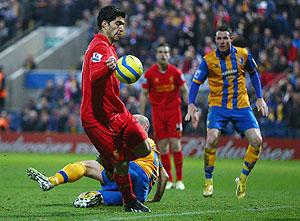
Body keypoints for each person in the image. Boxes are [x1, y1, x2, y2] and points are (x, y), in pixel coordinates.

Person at [80, 6, 152, 212]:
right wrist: (108, 67)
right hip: (96, 117)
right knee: (121, 162)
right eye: (118, 24)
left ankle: (109, 161)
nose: (122, 28)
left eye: (123, 24)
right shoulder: (98, 47)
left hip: (117, 112)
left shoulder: (109, 47)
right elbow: (94, 77)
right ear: (104, 24)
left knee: (144, 148)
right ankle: (129, 201)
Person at [185, 25, 269, 199]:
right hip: (218, 106)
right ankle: (208, 180)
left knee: (257, 141)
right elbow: (195, 83)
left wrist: (260, 97)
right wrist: (191, 104)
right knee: (212, 139)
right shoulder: (208, 60)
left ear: (231, 39)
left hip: (242, 106)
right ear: (215, 41)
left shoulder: (243, 55)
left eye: (225, 38)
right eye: (219, 39)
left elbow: (254, 73)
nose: (222, 42)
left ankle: (242, 179)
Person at [27, 115, 169, 208]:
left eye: (134, 122)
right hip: (137, 194)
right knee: (100, 191)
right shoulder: (154, 150)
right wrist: (156, 199)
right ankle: (55, 182)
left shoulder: (142, 141)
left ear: (144, 127)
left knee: (101, 164)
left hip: (135, 174)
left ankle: (53, 180)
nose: (130, 124)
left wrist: (106, 158)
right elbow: (164, 177)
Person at [140, 43, 189, 190]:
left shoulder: (175, 72)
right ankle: (169, 180)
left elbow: (185, 90)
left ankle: (179, 180)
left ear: (169, 55)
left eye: (166, 52)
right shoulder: (150, 74)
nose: (163, 54)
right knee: (162, 146)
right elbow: (144, 95)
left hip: (174, 111)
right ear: (156, 55)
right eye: (160, 52)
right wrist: (141, 115)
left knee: (175, 143)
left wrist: (191, 107)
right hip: (158, 113)